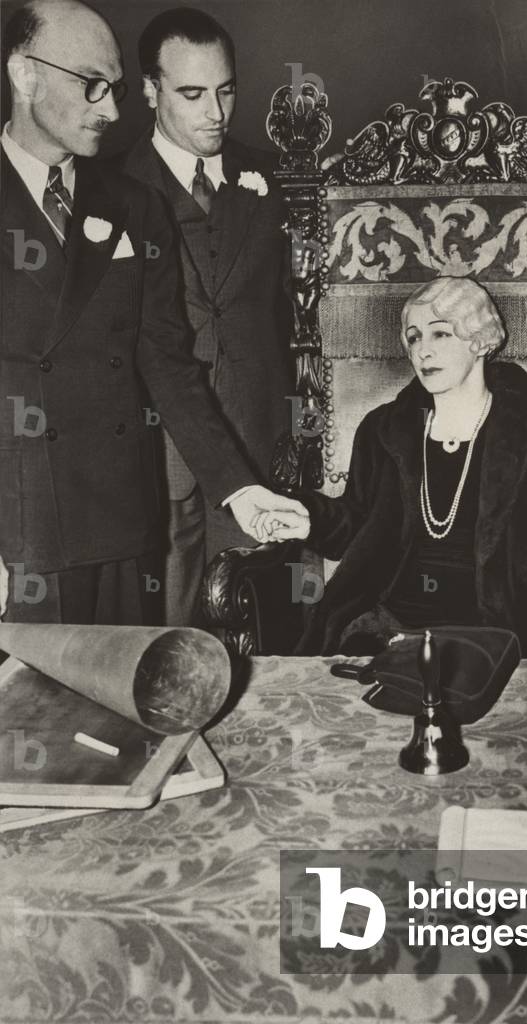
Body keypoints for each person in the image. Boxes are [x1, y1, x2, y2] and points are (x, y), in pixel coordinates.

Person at [0, 0, 304, 625]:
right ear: (25, 77)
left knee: (132, 702)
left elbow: (167, 361)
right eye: (91, 86)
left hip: (122, 521)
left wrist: (240, 490)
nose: (111, 110)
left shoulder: (129, 202)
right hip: (22, 527)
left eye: (112, 89)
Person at [259, 276, 527, 656]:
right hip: (386, 629)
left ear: (479, 341)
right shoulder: (383, 429)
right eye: (413, 337)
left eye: (440, 333)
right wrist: (308, 520)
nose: (422, 350)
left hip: (500, 632)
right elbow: (356, 522)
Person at [123, 8, 294, 626]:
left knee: (264, 629)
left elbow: (285, 309)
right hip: (158, 452)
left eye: (225, 91)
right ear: (149, 91)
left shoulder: (270, 177)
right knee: (172, 636)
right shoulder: (110, 185)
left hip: (259, 442)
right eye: (192, 94)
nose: (214, 113)